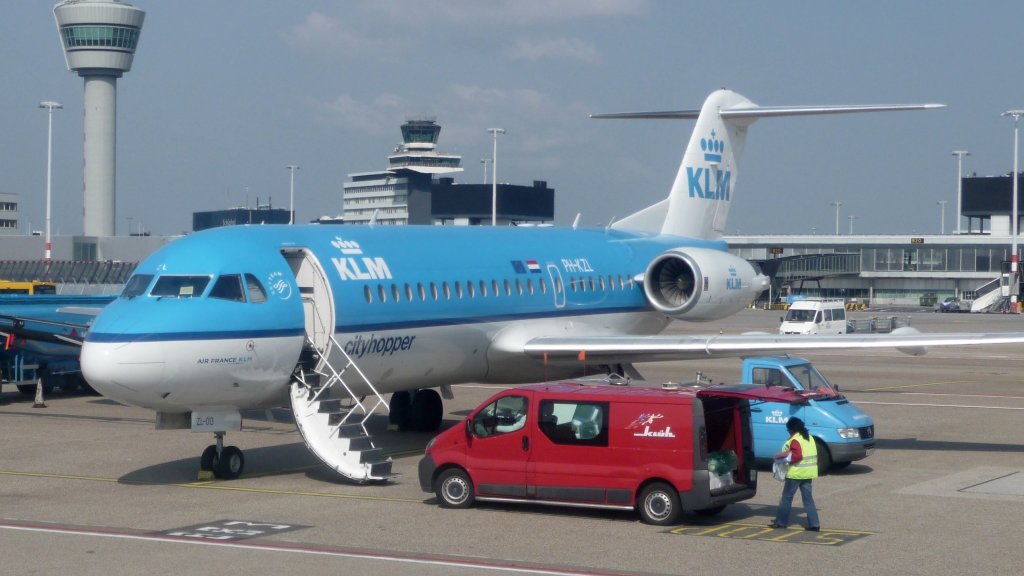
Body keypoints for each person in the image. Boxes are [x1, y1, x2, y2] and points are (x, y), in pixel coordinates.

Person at [768, 417, 821, 531]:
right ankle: (814, 524)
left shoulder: (796, 439)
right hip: (808, 473)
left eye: (788, 430)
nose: (788, 432)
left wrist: (785, 461)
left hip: (796, 473)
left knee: (786, 498)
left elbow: (797, 456)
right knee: (808, 499)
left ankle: (781, 522)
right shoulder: (809, 438)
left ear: (792, 429)